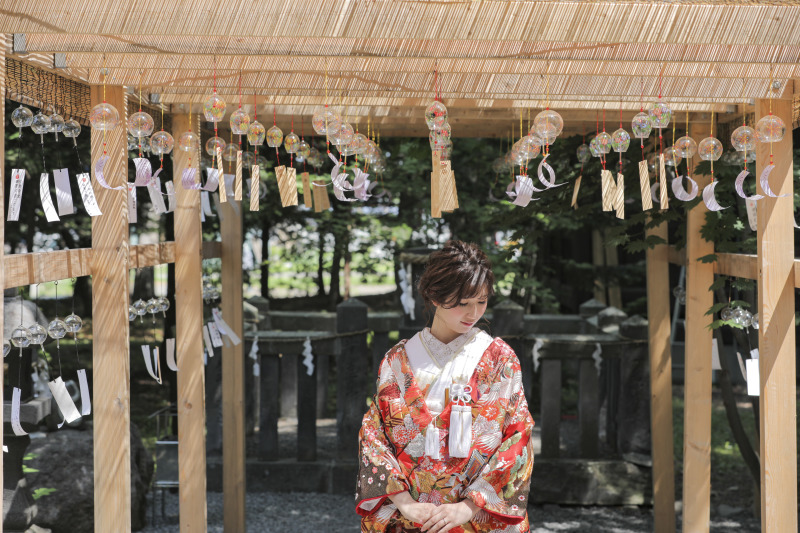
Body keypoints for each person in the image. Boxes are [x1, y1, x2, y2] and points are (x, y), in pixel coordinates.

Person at [356, 241, 535, 533]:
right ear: (434, 297)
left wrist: (468, 506)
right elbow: (373, 436)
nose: (473, 312)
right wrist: (404, 503)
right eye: (463, 303)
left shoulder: (499, 359)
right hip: (412, 514)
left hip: (476, 515)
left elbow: (517, 437)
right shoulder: (398, 360)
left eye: (482, 301)